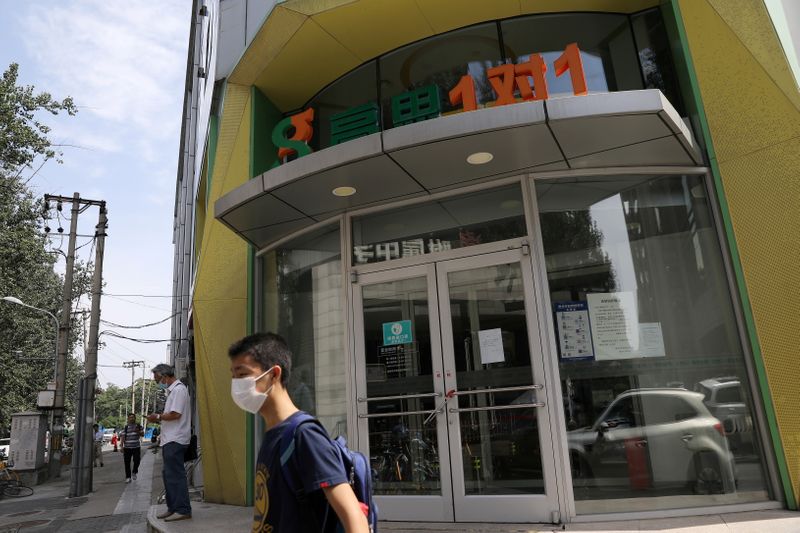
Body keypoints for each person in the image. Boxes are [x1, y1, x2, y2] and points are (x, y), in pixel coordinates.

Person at [228, 332, 369, 533]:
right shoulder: (272, 434)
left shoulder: (304, 435)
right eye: (233, 376)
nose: (236, 384)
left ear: (274, 375)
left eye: (242, 375)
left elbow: (354, 515)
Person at [146, 364, 192, 522]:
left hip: (176, 439)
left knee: (176, 476)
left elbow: (175, 414)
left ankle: (183, 509)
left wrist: (157, 417)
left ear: (164, 376)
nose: (158, 382)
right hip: (170, 439)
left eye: (158, 379)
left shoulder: (179, 390)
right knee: (168, 475)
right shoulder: (173, 391)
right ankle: (173, 507)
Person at [120, 413, 144, 483]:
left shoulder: (139, 426)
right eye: (130, 417)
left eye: (133, 417)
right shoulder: (126, 427)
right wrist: (121, 446)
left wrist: (138, 431)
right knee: (127, 463)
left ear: (135, 418)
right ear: (128, 419)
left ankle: (134, 471)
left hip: (136, 447)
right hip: (127, 448)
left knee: (137, 460)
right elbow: (123, 437)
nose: (131, 418)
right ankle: (128, 477)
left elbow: (142, 434)